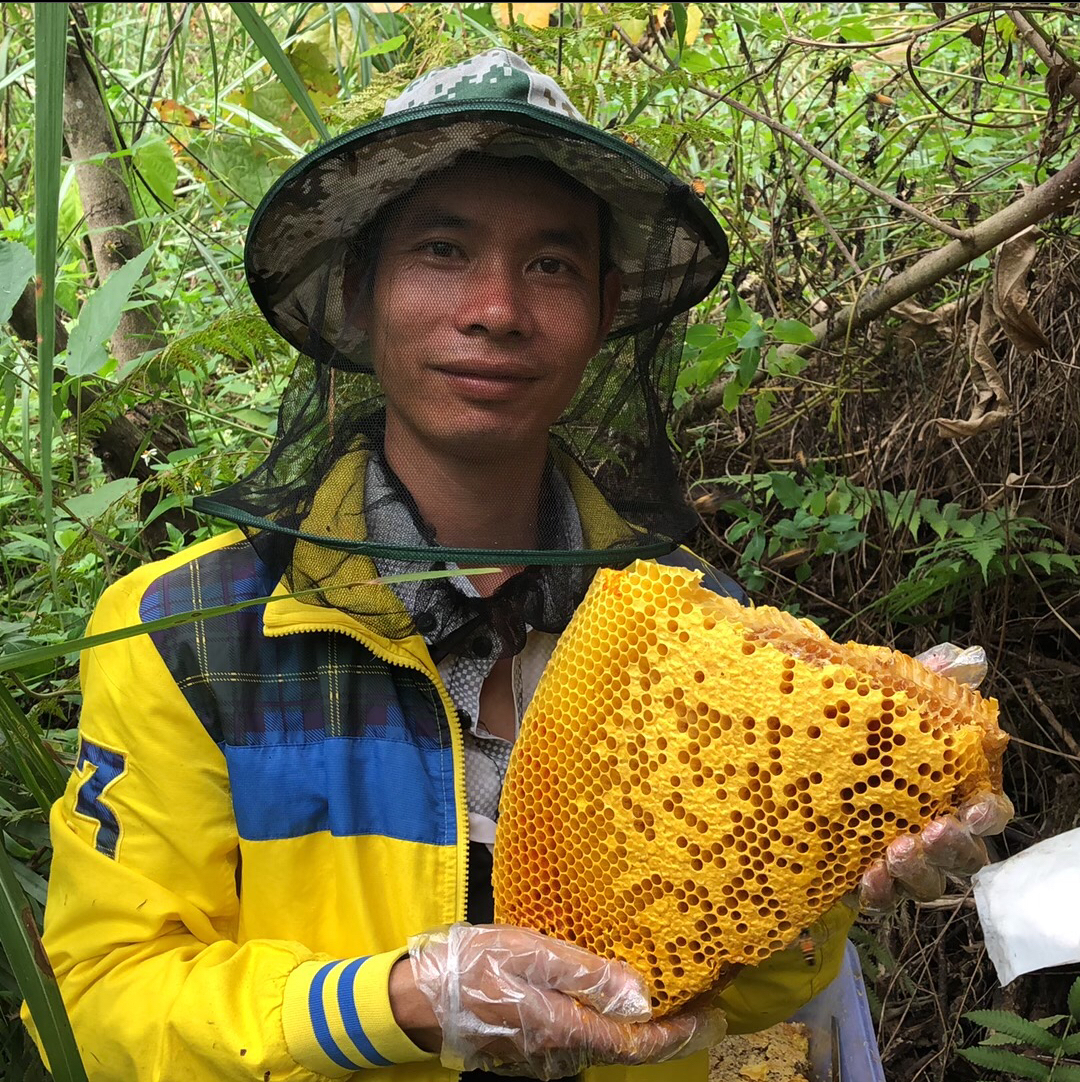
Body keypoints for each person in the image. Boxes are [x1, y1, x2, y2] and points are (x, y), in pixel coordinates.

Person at [24, 49, 1011, 1082]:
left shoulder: (703, 628)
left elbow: (728, 990)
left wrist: (825, 865)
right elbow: (88, 1002)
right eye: (443, 250)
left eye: (550, 264)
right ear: (359, 293)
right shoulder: (189, 628)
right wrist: (393, 1001)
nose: (496, 307)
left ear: (603, 308)